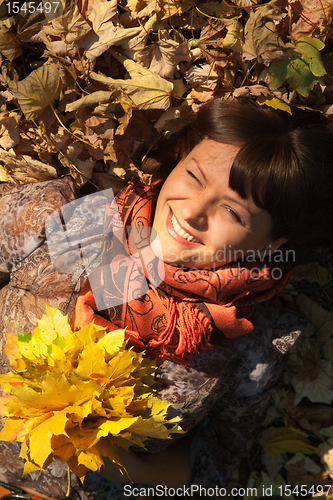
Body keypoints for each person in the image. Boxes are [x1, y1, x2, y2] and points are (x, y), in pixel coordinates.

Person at [0, 98, 332, 499]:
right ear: (178, 159)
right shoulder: (65, 224)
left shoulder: (255, 343)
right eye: (193, 176)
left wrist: (129, 467)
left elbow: (217, 463)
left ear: (273, 240)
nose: (192, 211)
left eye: (233, 212)